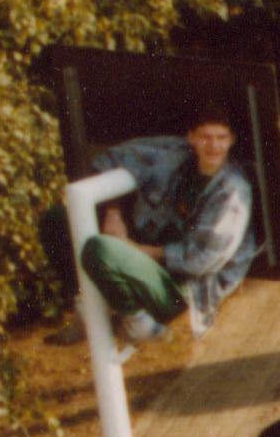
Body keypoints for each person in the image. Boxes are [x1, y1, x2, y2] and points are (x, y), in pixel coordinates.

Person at [79, 110, 261, 339]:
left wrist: (132, 249)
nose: (213, 145)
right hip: (149, 263)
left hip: (185, 289)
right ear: (191, 137)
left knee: (101, 249)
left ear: (232, 140)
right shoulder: (173, 153)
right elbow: (110, 157)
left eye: (221, 138)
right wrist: (113, 212)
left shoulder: (233, 191)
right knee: (57, 219)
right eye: (205, 137)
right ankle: (89, 306)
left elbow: (198, 261)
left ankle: (141, 324)